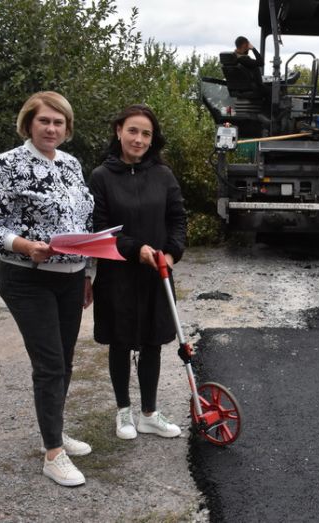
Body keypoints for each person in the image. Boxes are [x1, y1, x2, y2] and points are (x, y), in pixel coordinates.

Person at [0, 91, 94, 487]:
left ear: (67, 128)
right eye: (44, 121)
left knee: (66, 359)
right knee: (49, 364)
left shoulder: (72, 165)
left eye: (59, 122)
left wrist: (89, 272)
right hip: (27, 278)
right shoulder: (7, 164)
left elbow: (85, 222)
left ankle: (55, 431)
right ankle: (53, 454)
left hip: (71, 277)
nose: (51, 128)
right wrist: (23, 245)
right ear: (29, 123)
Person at [89, 105, 188, 442]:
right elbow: (100, 228)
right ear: (119, 131)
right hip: (117, 274)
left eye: (146, 133)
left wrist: (172, 252)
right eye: (133, 130)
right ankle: (123, 412)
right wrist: (136, 248)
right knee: (119, 342)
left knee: (152, 343)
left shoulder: (163, 175)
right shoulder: (101, 176)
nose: (139, 139)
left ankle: (149, 413)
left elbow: (177, 217)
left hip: (156, 274)